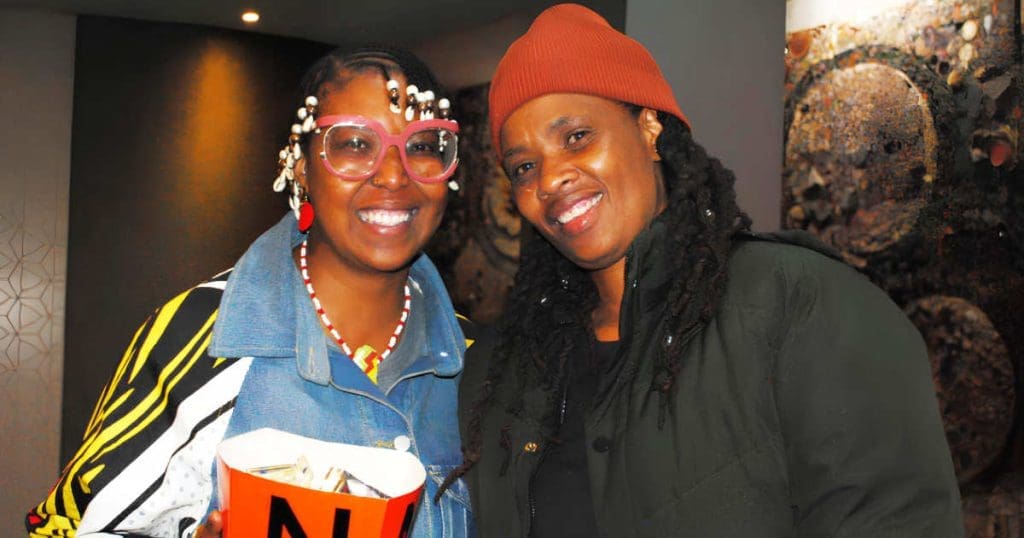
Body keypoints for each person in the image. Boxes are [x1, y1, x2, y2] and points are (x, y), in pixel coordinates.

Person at [443, 4, 963, 537]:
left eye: (577, 137)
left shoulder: (799, 304)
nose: (551, 178)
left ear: (649, 128)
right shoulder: (509, 371)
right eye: (525, 167)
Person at [27, 46, 475, 537]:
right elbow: (60, 525)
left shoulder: (481, 363)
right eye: (354, 144)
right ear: (300, 166)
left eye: (423, 146)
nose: (393, 174)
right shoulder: (201, 336)